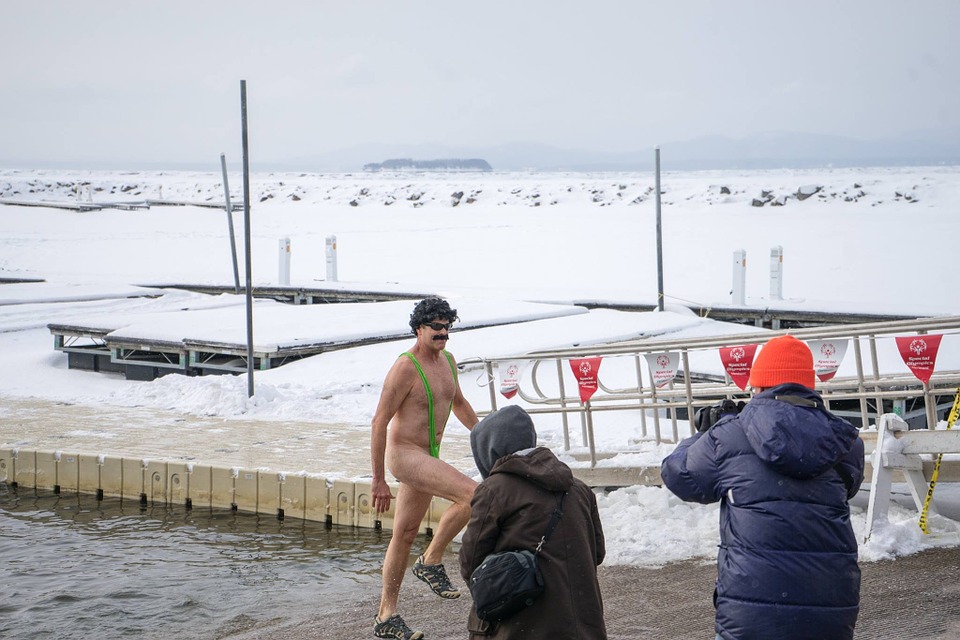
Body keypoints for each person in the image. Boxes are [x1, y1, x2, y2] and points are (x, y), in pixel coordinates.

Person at [661, 335, 864, 640]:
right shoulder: (845, 441)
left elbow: (680, 476)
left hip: (751, 611)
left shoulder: (730, 434)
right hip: (830, 605)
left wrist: (706, 432)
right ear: (808, 385)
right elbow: (848, 487)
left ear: (758, 385)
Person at [371, 297, 480, 640]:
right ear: (419, 328)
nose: (443, 333)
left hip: (427, 453)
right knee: (474, 496)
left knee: (403, 535)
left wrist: (487, 440)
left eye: (448, 327)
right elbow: (379, 422)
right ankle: (431, 560)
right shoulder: (405, 367)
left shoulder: (448, 360)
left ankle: (386, 616)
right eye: (436, 326)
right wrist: (378, 480)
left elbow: (459, 404)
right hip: (405, 454)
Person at [459, 405, 607, 639]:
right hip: (583, 624)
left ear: (489, 449)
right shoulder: (579, 489)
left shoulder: (494, 491)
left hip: (521, 625)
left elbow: (471, 563)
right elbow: (597, 553)